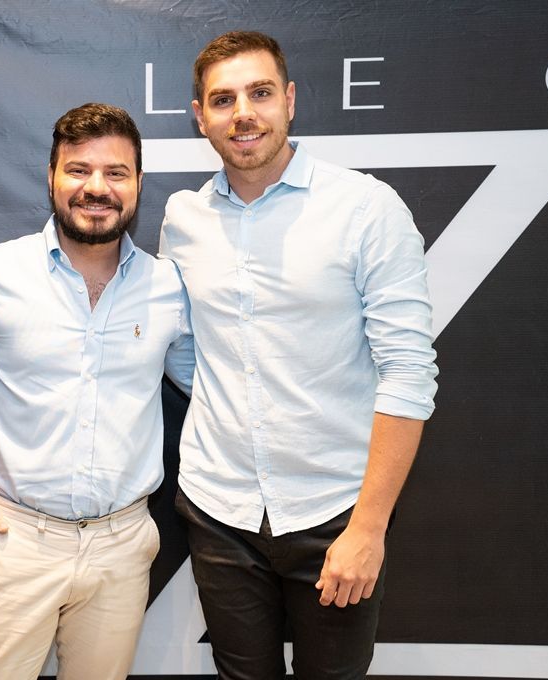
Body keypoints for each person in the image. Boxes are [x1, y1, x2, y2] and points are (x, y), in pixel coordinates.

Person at [159, 31, 438, 679]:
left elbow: (408, 374)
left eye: (259, 93)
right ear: (200, 117)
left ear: (289, 100)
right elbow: (187, 352)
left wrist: (368, 528)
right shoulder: (183, 219)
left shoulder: (366, 209)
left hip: (334, 513)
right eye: (222, 99)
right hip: (218, 508)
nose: (243, 113)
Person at [0, 102, 194, 680]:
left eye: (116, 173)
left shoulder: (168, 287)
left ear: (138, 184)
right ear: (52, 177)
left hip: (123, 547)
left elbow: (210, 389)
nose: (97, 188)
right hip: (19, 542)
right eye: (79, 170)